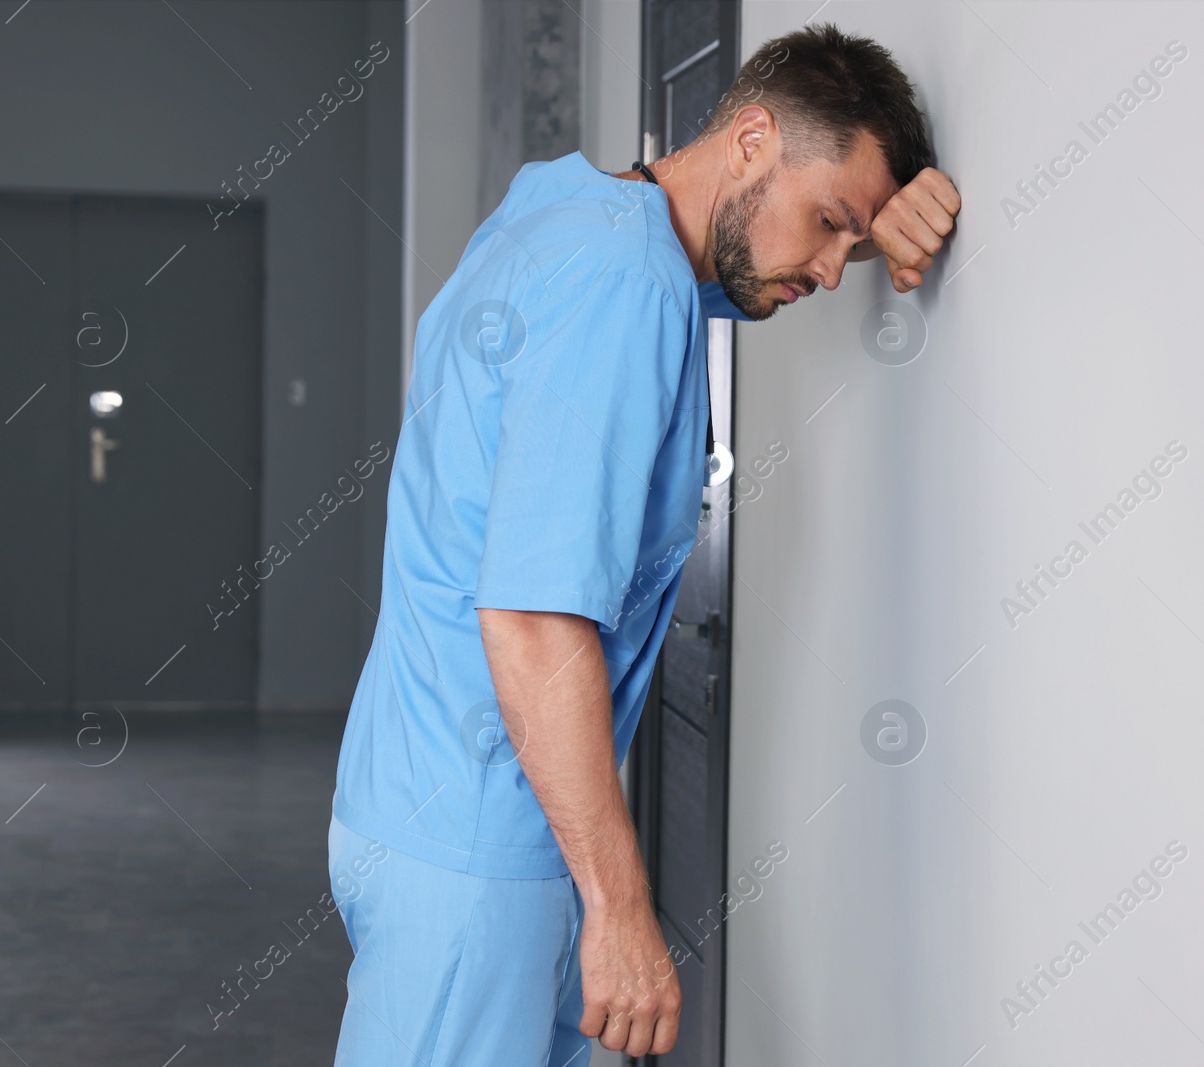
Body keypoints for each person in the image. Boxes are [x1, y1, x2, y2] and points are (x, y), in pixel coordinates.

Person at [327, 21, 960, 1065]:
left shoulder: (567, 213)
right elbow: (531, 616)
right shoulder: (624, 284)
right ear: (752, 138)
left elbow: (716, 275)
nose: (836, 267)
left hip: (420, 808)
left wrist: (867, 218)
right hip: (486, 849)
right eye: (829, 223)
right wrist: (618, 909)